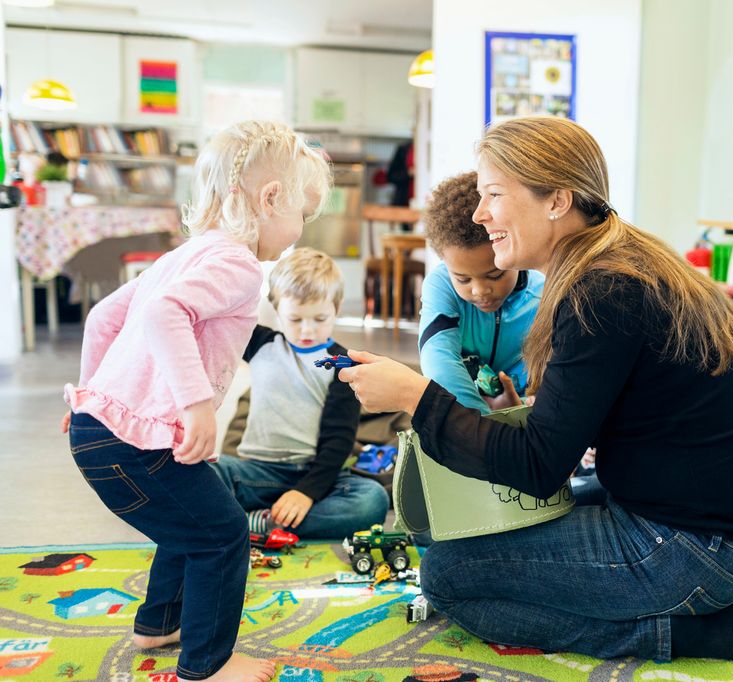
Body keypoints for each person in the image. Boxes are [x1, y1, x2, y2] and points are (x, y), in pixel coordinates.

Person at [337, 116, 733, 663]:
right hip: (688, 528)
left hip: (689, 551)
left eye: (493, 195)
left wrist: (413, 397)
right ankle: (674, 609)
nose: (480, 215)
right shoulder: (612, 264)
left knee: (448, 575)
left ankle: (672, 633)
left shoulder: (602, 290)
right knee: (461, 531)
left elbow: (539, 466)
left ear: (557, 201)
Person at [62, 121, 331, 682]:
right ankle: (208, 664)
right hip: (139, 440)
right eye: (302, 216)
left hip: (101, 430)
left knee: (190, 521)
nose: (301, 230)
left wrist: (92, 396)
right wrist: (196, 406)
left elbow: (102, 318)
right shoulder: (237, 264)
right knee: (223, 533)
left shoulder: (179, 257)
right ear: (270, 199)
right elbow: (165, 316)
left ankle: (159, 623)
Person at [212, 247, 389, 540]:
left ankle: (257, 525)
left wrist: (306, 492)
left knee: (372, 500)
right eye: (295, 319)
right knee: (203, 472)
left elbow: (339, 440)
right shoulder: (260, 344)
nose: (307, 330)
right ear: (275, 307)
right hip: (255, 473)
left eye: (320, 319)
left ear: (337, 306)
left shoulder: (343, 365)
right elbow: (222, 319)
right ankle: (262, 520)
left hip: (315, 476)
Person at [419, 170, 543, 413]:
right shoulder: (440, 284)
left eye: (495, 275)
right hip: (466, 417)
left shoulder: (542, 294)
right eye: (463, 279)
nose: (479, 290)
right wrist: (483, 424)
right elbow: (439, 363)